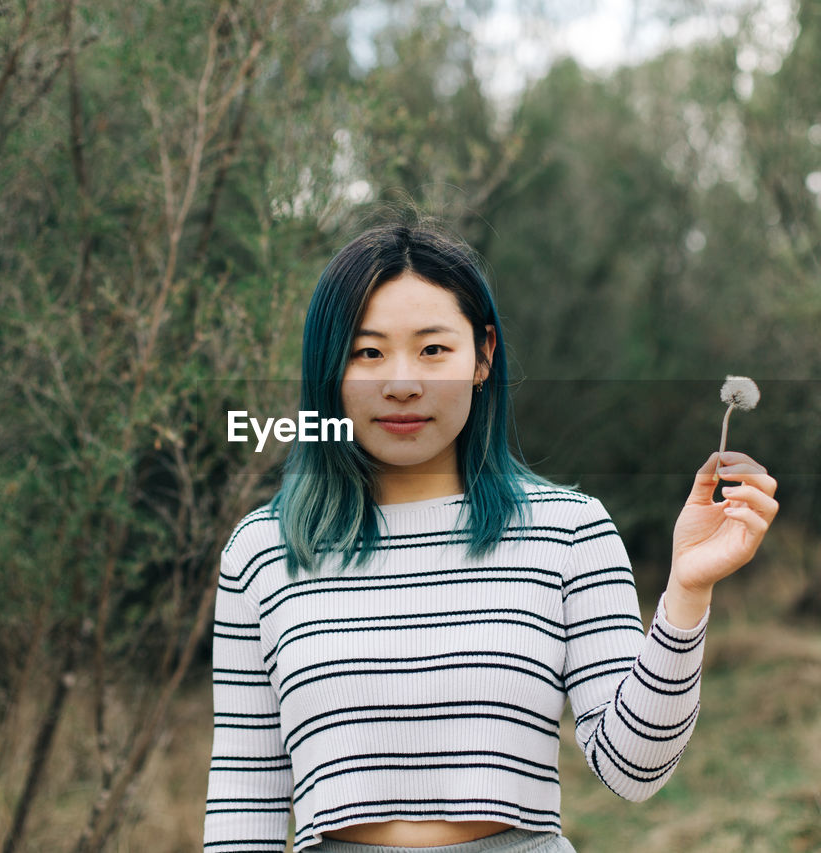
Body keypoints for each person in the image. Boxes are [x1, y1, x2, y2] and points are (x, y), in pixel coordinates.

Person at [203, 218, 779, 853]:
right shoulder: (264, 551)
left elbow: (633, 769)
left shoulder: (568, 532)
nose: (401, 382)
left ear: (482, 357)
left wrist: (687, 592)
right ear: (328, 369)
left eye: (432, 350)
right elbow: (245, 788)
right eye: (367, 352)